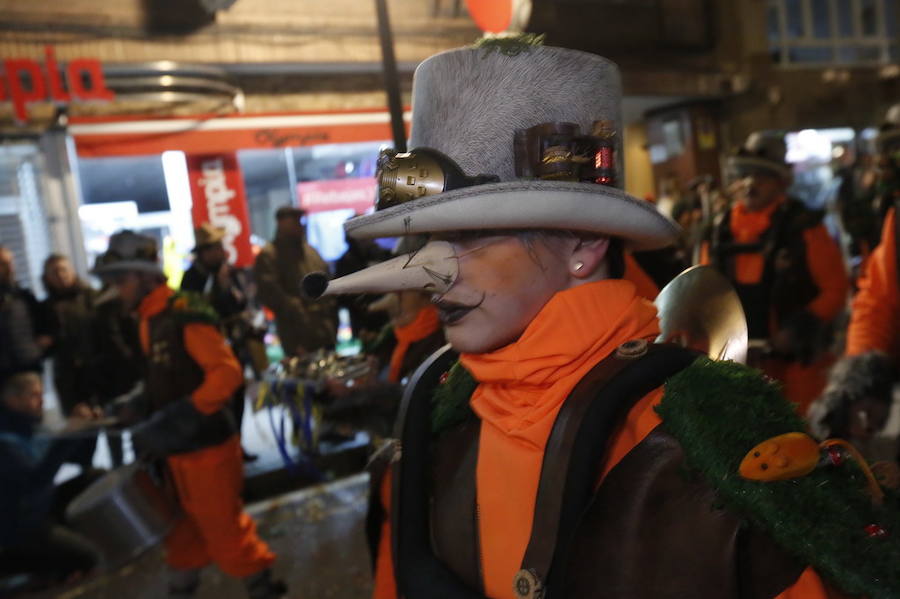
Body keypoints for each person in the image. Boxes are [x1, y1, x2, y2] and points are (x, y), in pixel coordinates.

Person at [308, 40, 891, 598]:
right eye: (429, 237)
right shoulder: (433, 419)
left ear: (583, 243)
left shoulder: (709, 444)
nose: (434, 272)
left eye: (473, 234)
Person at [94, 231, 285, 599]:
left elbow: (227, 373)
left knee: (225, 532)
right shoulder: (148, 318)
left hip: (207, 449)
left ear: (145, 276)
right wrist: (138, 402)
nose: (116, 289)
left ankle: (263, 589)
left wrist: (181, 414)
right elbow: (166, 374)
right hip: (176, 450)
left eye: (121, 280)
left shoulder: (183, 313)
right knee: (182, 535)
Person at [700, 132, 848, 415]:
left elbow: (836, 289)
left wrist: (797, 329)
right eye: (744, 175)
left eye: (761, 176)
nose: (750, 184)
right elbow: (704, 292)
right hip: (736, 365)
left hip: (797, 366)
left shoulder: (804, 227)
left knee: (801, 432)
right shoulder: (719, 231)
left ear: (781, 182)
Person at [0, 372, 102, 587]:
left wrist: (89, 430)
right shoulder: (6, 440)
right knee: (89, 558)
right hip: (21, 526)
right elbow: (36, 480)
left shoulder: (32, 426)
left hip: (41, 508)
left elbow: (81, 459)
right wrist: (67, 437)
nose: (41, 401)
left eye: (41, 394)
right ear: (12, 400)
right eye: (33, 395)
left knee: (95, 477)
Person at [181, 223, 255, 461]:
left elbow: (241, 302)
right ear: (203, 253)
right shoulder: (192, 278)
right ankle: (226, 449)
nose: (221, 252)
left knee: (239, 397)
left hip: (235, 344)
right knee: (221, 402)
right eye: (215, 248)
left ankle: (238, 444)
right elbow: (201, 313)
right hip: (210, 351)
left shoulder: (227, 272)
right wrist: (220, 291)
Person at [41, 254, 100, 470]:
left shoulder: (91, 298)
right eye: (55, 272)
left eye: (63, 269)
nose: (61, 275)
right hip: (69, 378)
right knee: (82, 436)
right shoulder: (45, 308)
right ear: (47, 278)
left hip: (97, 373)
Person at [254, 206, 337, 356]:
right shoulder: (270, 255)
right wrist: (297, 310)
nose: (299, 225)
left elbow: (327, 282)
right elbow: (270, 293)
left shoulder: (310, 251)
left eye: (299, 221)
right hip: (297, 336)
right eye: (294, 221)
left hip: (325, 329)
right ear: (281, 223)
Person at [0, 245, 51, 381]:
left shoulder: (25, 296)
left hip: (28, 366)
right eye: (3, 264)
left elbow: (44, 330)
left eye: (11, 262)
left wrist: (37, 349)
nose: (10, 268)